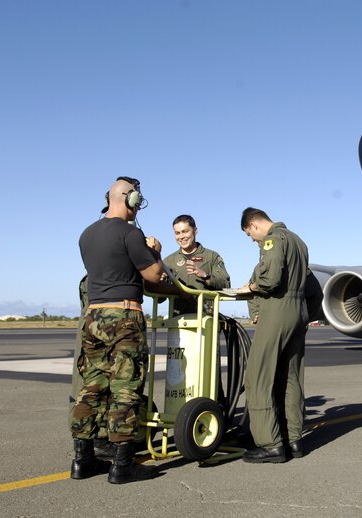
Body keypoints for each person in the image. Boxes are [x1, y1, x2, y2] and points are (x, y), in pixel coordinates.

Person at [71, 176, 185, 484]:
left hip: (93, 316)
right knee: (125, 388)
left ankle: (83, 460)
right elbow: (154, 275)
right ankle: (122, 465)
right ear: (131, 200)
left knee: (91, 388)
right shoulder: (131, 234)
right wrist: (157, 253)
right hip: (124, 316)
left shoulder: (87, 234)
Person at [237, 207, 309, 463]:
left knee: (257, 376)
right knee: (290, 377)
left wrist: (251, 287)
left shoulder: (273, 239)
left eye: (249, 234)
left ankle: (270, 443)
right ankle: (295, 440)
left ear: (254, 225)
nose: (252, 239)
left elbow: (271, 279)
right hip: (299, 311)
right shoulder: (297, 240)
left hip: (278, 309)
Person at [163, 214, 230, 315]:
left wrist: (205, 276)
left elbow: (226, 284)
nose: (181, 237)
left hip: (206, 319)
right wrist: (161, 281)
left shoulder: (212, 257)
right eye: (177, 233)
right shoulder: (168, 261)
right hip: (178, 321)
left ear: (195, 231)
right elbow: (159, 298)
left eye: (185, 231)